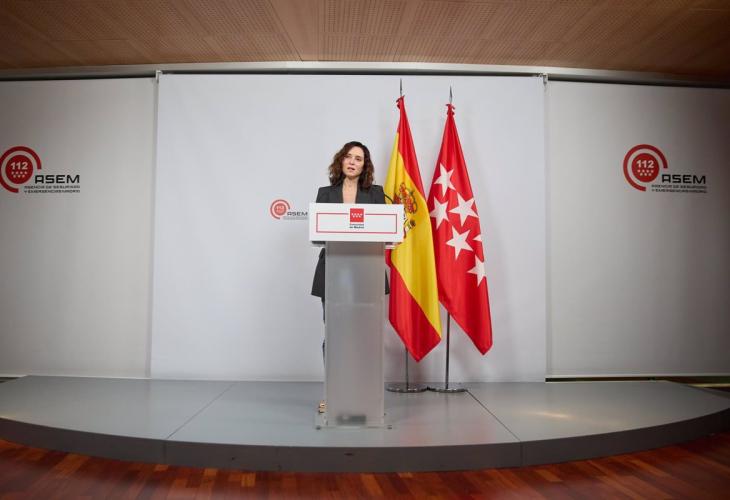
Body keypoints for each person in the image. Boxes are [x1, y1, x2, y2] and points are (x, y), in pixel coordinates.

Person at [311, 141, 389, 414]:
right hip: (334, 270)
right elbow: (318, 233)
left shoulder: (376, 194)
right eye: (349, 156)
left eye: (359, 158)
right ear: (341, 161)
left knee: (364, 335)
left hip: (366, 270)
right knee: (334, 334)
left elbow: (384, 231)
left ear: (365, 165)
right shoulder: (325, 193)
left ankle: (364, 395)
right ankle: (333, 394)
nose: (353, 162)